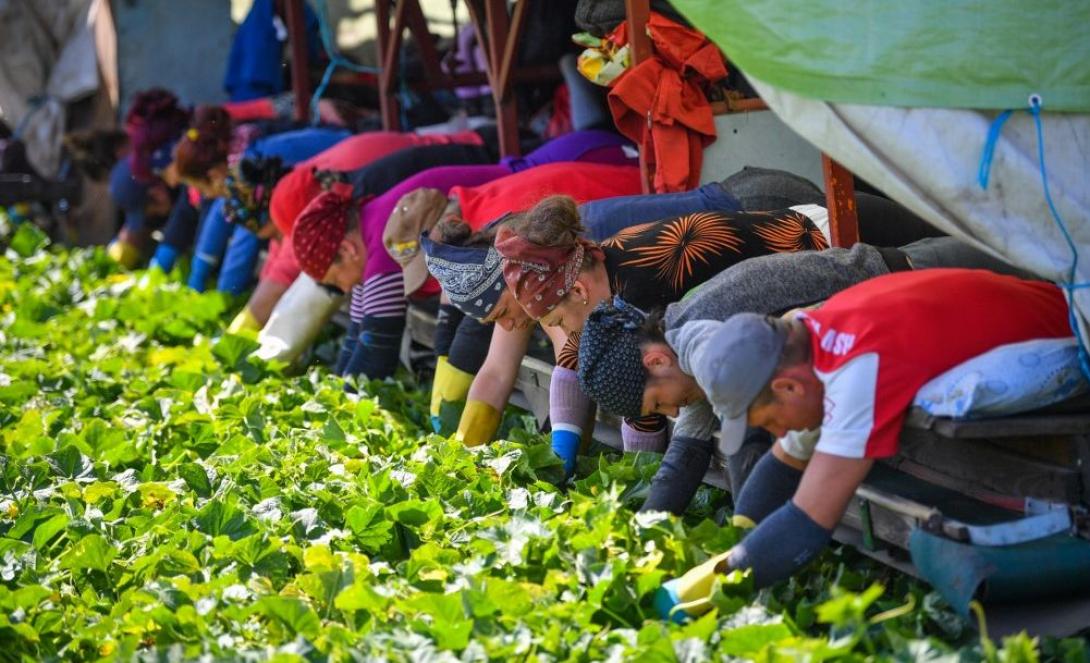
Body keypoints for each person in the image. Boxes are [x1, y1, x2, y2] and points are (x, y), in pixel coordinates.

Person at [652, 269, 1073, 620]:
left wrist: (716, 584)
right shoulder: (811, 341)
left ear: (786, 387)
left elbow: (808, 522)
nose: (777, 434)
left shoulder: (857, 372)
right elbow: (786, 460)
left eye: (767, 422)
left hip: (1071, 325)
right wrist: (737, 535)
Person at [577, 237, 1038, 513]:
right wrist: (650, 529)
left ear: (656, 361)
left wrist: (745, 540)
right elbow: (689, 450)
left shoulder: (706, 337)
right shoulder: (686, 347)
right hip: (914, 297)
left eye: (659, 404)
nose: (673, 412)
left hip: (933, 270)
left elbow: (741, 452)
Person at [425, 194, 830, 469]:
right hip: (798, 257)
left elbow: (643, 401)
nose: (507, 326)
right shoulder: (595, 279)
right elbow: (580, 356)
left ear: (578, 292)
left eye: (560, 322)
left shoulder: (638, 290)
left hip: (824, 239)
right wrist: (560, 449)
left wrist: (639, 479)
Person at [292, 159, 642, 381]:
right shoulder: (464, 238)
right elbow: (461, 314)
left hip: (630, 187)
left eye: (333, 282)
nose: (341, 290)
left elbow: (376, 347)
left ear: (347, 250)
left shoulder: (509, 244)